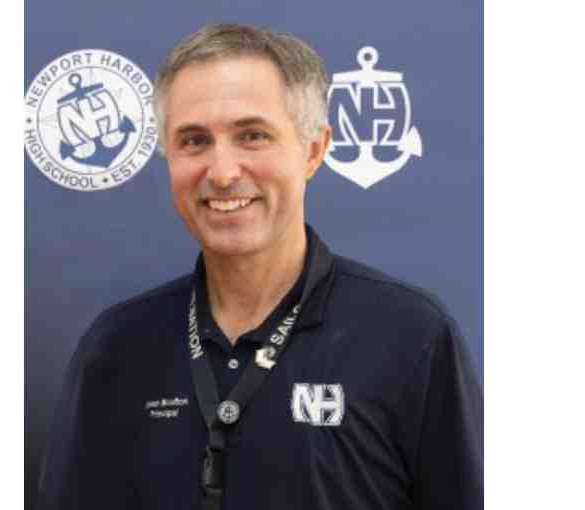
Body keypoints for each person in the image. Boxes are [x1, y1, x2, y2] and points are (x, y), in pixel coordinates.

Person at [36, 24, 483, 510]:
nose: (222, 172)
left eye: (252, 136)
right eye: (194, 141)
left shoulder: (411, 336)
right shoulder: (115, 348)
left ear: (313, 150)